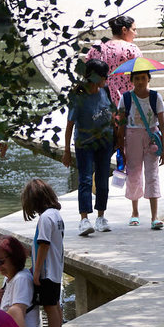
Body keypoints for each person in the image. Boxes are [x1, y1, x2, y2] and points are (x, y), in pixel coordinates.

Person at [62, 58, 114, 236]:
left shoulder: (105, 90)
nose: (105, 79)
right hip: (85, 144)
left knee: (102, 180)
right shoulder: (78, 97)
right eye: (103, 76)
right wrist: (67, 151)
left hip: (105, 142)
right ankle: (84, 219)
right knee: (84, 179)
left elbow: (111, 113)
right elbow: (69, 125)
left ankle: (101, 217)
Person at [117, 70, 164, 230]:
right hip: (132, 136)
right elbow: (121, 123)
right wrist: (120, 146)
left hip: (152, 137)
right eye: (137, 78)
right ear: (132, 80)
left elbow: (162, 123)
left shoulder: (155, 97)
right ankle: (135, 212)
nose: (140, 82)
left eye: (143, 78)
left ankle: (155, 217)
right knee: (133, 173)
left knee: (152, 174)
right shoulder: (125, 98)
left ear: (149, 79)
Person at [21, 178, 65, 327]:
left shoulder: (45, 218)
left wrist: (36, 271)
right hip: (55, 268)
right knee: (54, 305)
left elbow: (44, 244)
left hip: (47, 271)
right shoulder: (55, 215)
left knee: (49, 307)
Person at [86, 15, 141, 107]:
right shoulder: (131, 49)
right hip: (126, 103)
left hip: (99, 103)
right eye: (134, 30)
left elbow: (86, 72)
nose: (136, 33)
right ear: (124, 30)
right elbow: (141, 77)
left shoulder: (96, 47)